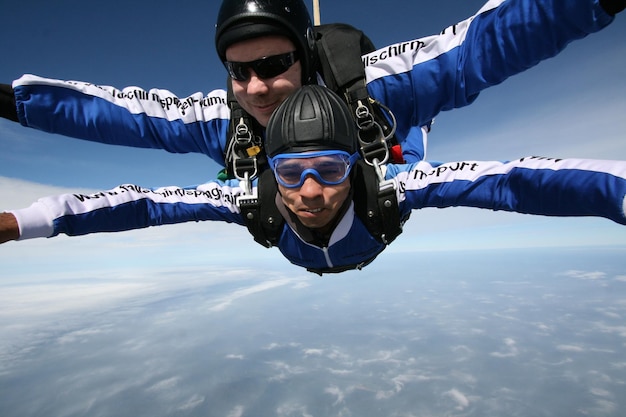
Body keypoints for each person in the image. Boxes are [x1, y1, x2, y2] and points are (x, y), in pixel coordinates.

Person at [2, 85, 625, 274]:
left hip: (383, 187)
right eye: (290, 172)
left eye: (328, 170)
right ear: (265, 172)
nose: (308, 191)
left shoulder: (390, 185)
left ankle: (410, 116)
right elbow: (136, 203)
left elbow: (515, 180)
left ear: (353, 168)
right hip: (348, 236)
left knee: (415, 152)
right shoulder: (247, 197)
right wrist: (20, 223)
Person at [0, 0, 623, 170]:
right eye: (239, 72)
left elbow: (480, 49)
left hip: (389, 169)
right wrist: (13, 104)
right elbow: (122, 116)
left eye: (272, 65)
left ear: (304, 57)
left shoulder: (377, 90)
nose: (258, 88)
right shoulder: (225, 120)